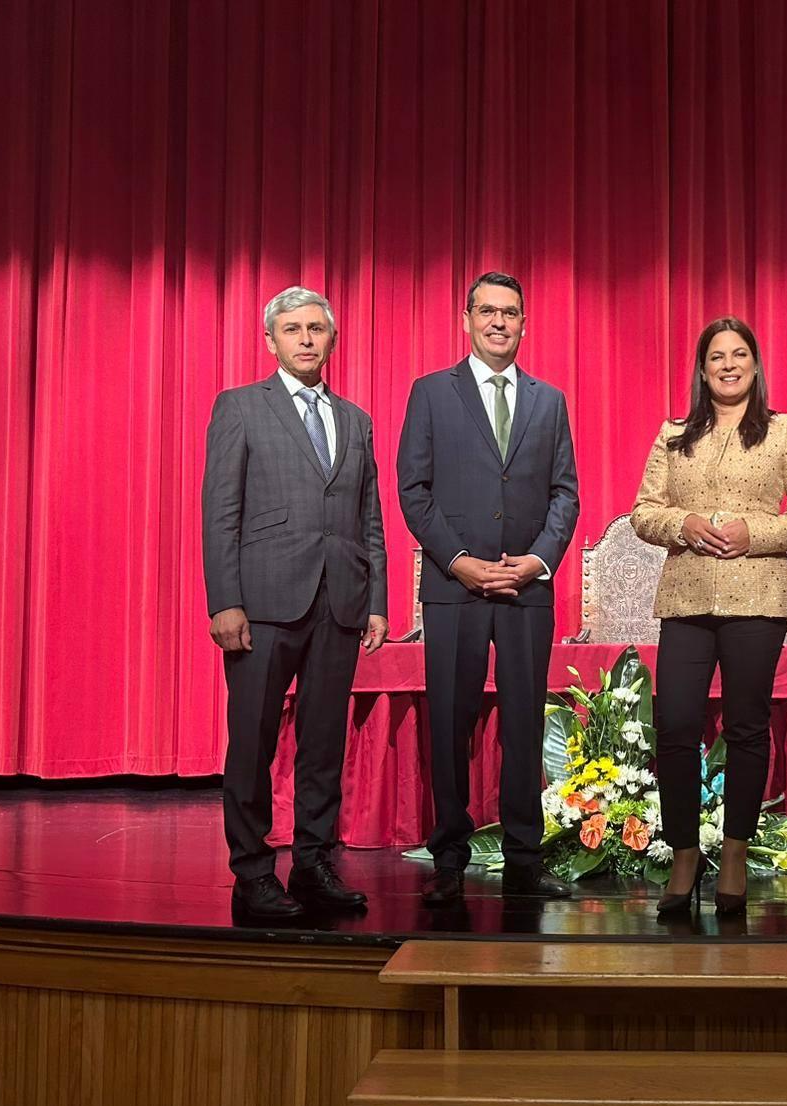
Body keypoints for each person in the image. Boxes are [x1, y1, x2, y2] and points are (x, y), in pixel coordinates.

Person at [201, 286, 389, 921]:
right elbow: (220, 514)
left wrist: (378, 603)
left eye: (317, 329)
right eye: (293, 329)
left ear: (332, 340)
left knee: (323, 743)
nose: (306, 338)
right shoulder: (240, 408)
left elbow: (371, 519)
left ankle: (313, 864)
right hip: (263, 604)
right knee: (252, 741)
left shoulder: (357, 420)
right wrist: (225, 602)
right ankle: (252, 872)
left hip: (340, 601)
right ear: (271, 340)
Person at [631, 316, 787, 917]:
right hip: (687, 597)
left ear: (756, 364)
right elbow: (642, 511)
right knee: (677, 727)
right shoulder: (674, 434)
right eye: (716, 356)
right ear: (701, 368)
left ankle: (736, 852)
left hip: (758, 597)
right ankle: (684, 853)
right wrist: (682, 524)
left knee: (745, 727)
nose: (728, 364)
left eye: (739, 354)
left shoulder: (784, 430)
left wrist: (754, 533)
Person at [396, 271, 580, 905]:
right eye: (487, 311)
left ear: (525, 324)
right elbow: (412, 491)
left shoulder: (548, 401)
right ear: (466, 319)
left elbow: (566, 494)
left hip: (527, 590)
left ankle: (525, 858)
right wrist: (458, 560)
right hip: (458, 589)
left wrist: (538, 560)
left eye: (511, 313)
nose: (499, 322)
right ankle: (449, 855)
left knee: (526, 722)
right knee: (451, 720)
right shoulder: (430, 393)